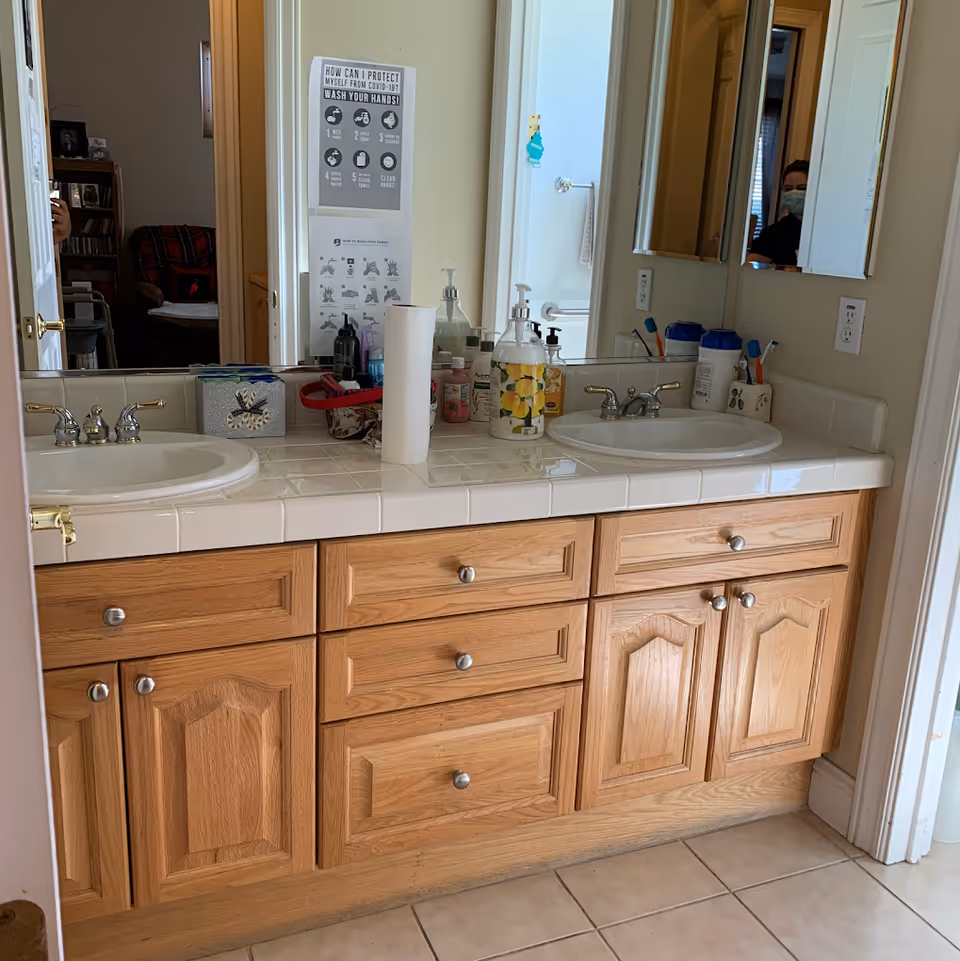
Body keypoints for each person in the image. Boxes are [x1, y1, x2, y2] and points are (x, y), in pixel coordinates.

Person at [746, 159, 808, 267]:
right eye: (788, 189)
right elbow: (751, 267)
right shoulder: (774, 233)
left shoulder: (831, 231)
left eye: (801, 188)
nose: (794, 193)